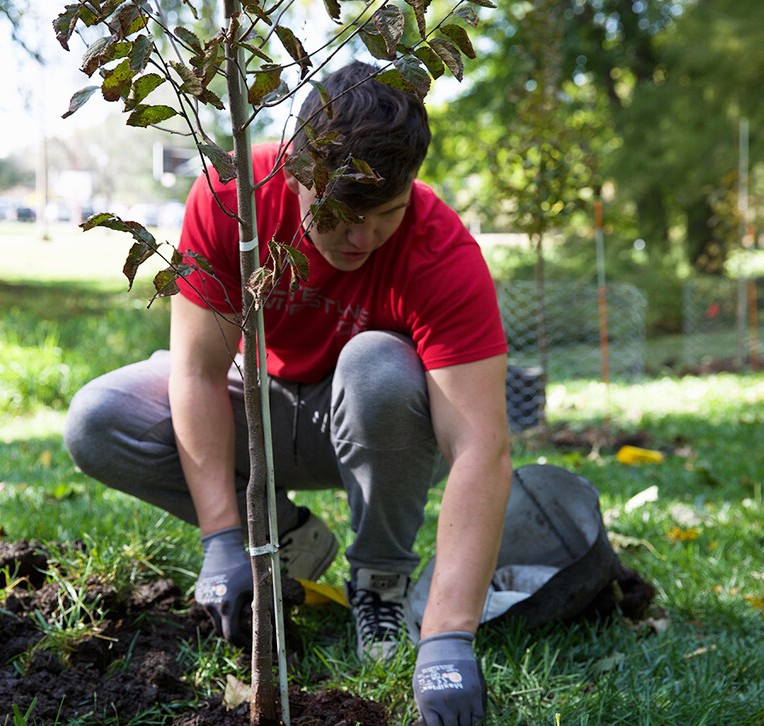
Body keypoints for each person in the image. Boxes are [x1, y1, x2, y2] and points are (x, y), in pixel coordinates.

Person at [64, 60, 511, 725]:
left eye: (384, 215)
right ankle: (288, 540)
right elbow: (195, 372)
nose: (362, 238)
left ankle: (380, 582)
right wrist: (222, 536)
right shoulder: (231, 196)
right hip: (257, 398)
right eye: (343, 215)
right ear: (296, 171)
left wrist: (449, 634)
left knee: (377, 365)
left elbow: (481, 445)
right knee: (98, 419)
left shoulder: (439, 249)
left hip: (371, 424)